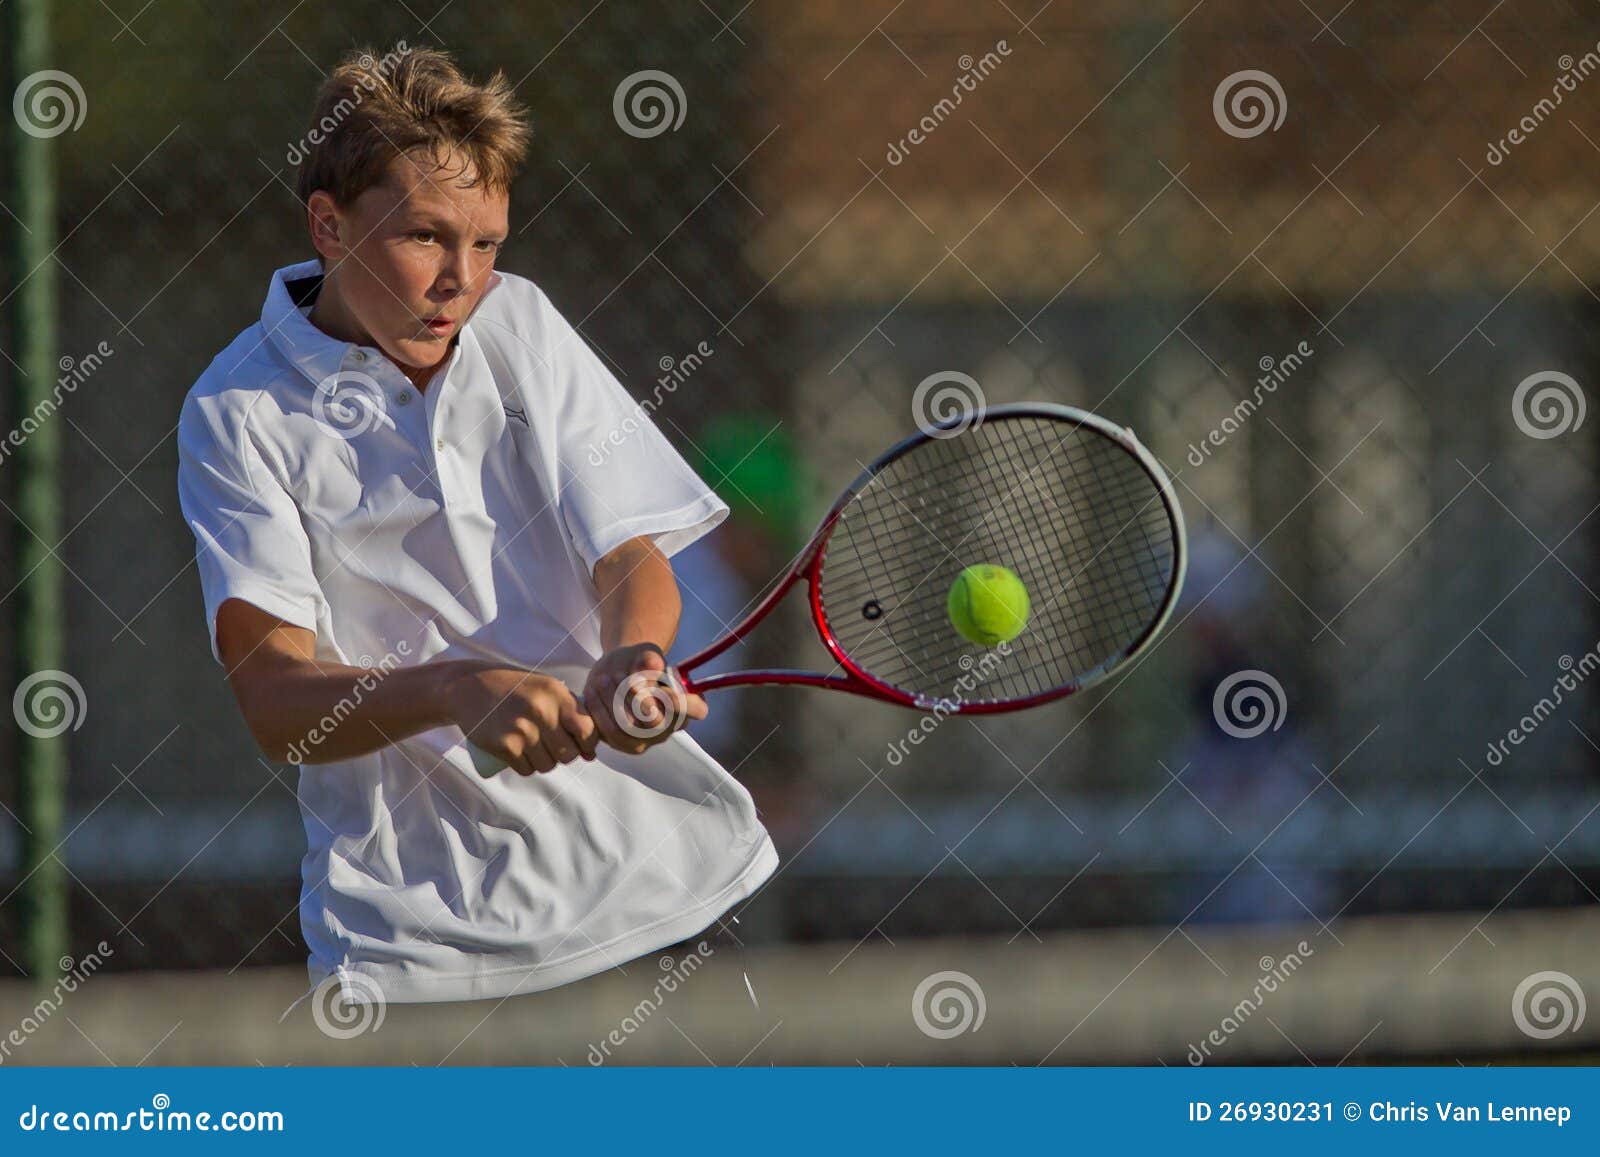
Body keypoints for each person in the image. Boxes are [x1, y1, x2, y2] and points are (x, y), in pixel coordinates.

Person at [175, 45, 776, 1006]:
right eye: (425, 236)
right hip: (415, 956)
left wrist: (635, 653)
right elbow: (277, 701)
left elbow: (629, 552)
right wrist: (457, 688)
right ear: (328, 226)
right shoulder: (234, 410)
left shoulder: (521, 323)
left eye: (488, 243)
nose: (463, 279)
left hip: (666, 900)